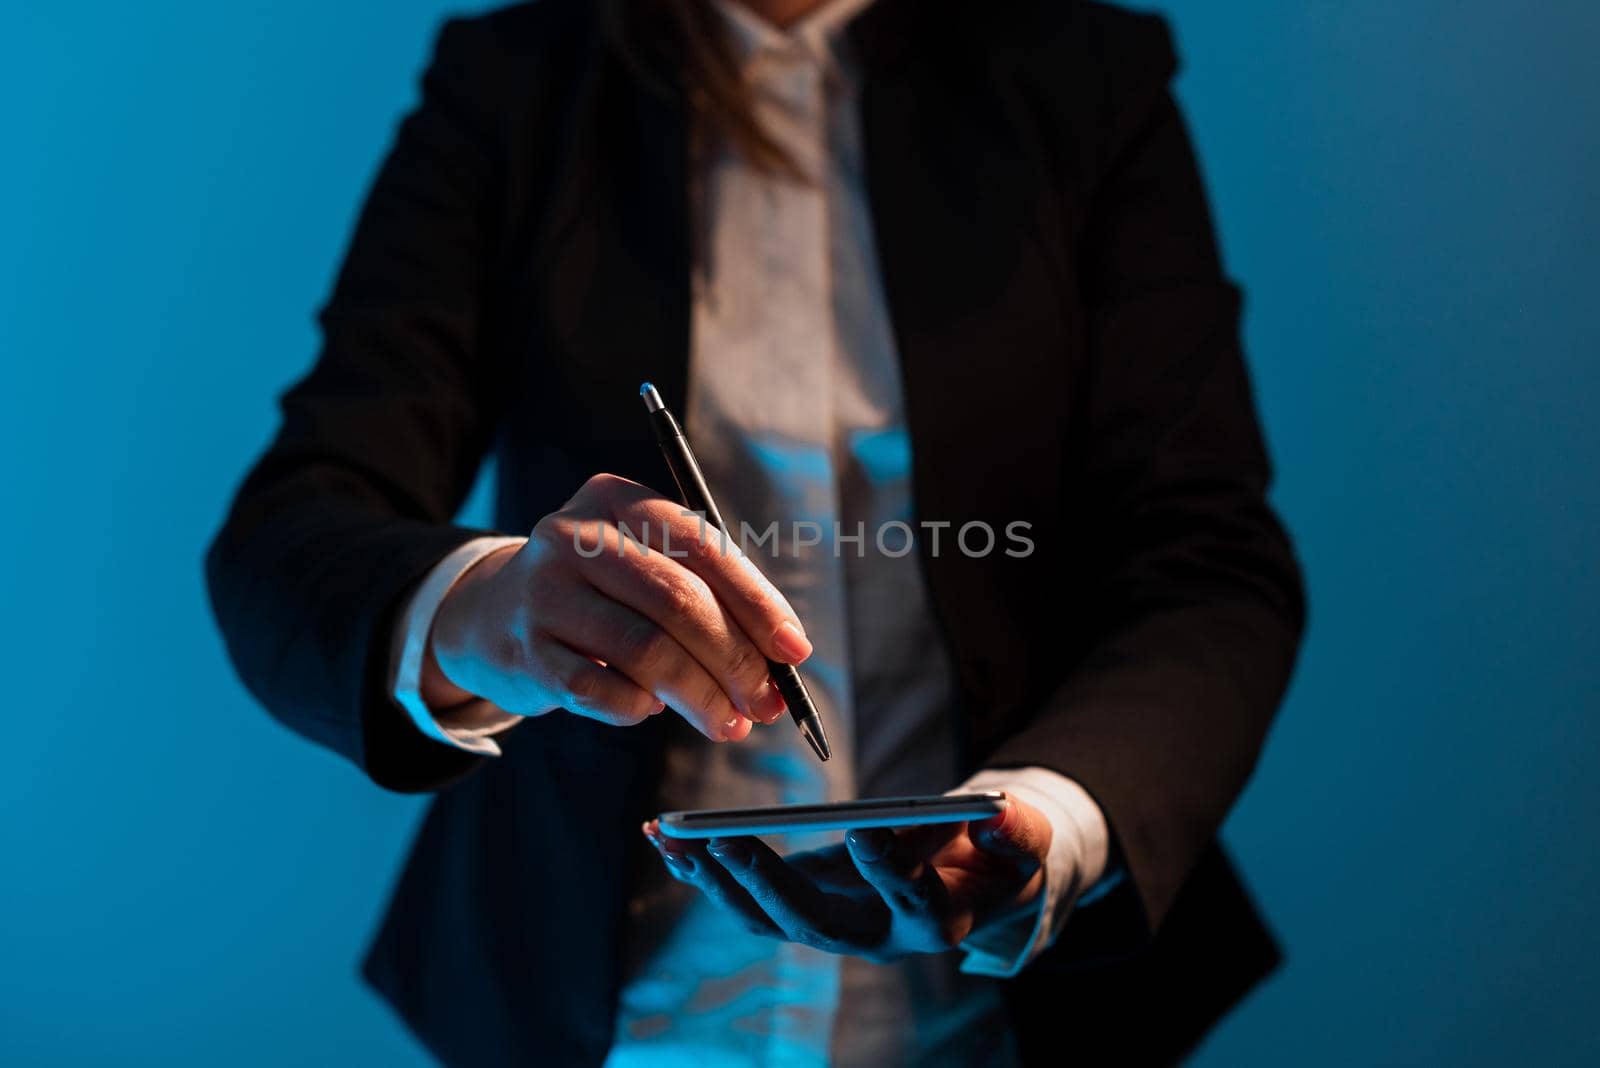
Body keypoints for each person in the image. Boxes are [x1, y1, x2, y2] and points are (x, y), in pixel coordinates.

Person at [206, 0, 1305, 1064]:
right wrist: (490, 611)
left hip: (1014, 1013)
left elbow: (1208, 562)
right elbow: (289, 536)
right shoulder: (518, 77)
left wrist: (1047, 821)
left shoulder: (1082, 71)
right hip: (587, 1006)